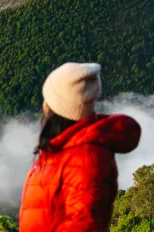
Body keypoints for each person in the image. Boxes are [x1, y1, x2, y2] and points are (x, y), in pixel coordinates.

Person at [19, 62, 141, 231]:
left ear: (55, 107)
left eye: (47, 98)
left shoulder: (86, 158)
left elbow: (84, 225)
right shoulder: (61, 149)